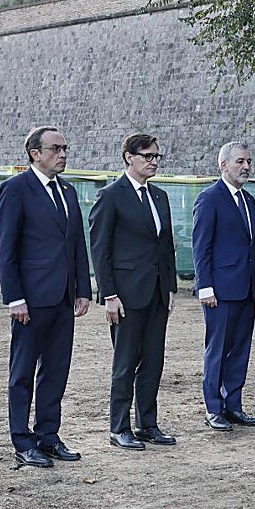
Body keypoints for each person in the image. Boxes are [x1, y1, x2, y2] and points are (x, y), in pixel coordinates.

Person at [0, 126, 92, 468]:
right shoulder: (15, 190)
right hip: (31, 301)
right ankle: (22, 441)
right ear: (35, 153)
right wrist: (14, 298)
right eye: (56, 148)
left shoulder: (68, 191)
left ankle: (48, 436)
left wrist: (82, 289)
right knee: (22, 373)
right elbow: (5, 250)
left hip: (64, 299)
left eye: (65, 148)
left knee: (56, 371)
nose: (63, 154)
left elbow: (77, 243)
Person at [88, 133, 179, 451]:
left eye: (157, 156)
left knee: (154, 361)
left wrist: (170, 288)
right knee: (125, 362)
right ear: (129, 157)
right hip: (125, 296)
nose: (154, 161)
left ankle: (147, 424)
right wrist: (109, 295)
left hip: (156, 293)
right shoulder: (110, 196)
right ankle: (119, 427)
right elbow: (100, 250)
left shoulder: (160, 196)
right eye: (148, 156)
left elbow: (166, 247)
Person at [192, 141, 255, 431]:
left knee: (240, 349)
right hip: (219, 291)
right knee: (218, 349)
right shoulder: (209, 198)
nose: (245, 166)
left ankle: (233, 405)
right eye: (239, 161)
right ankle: (214, 409)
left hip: (246, 288)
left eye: (248, 161)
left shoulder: (249, 201)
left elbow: (254, 245)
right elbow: (201, 247)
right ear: (223, 165)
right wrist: (204, 287)